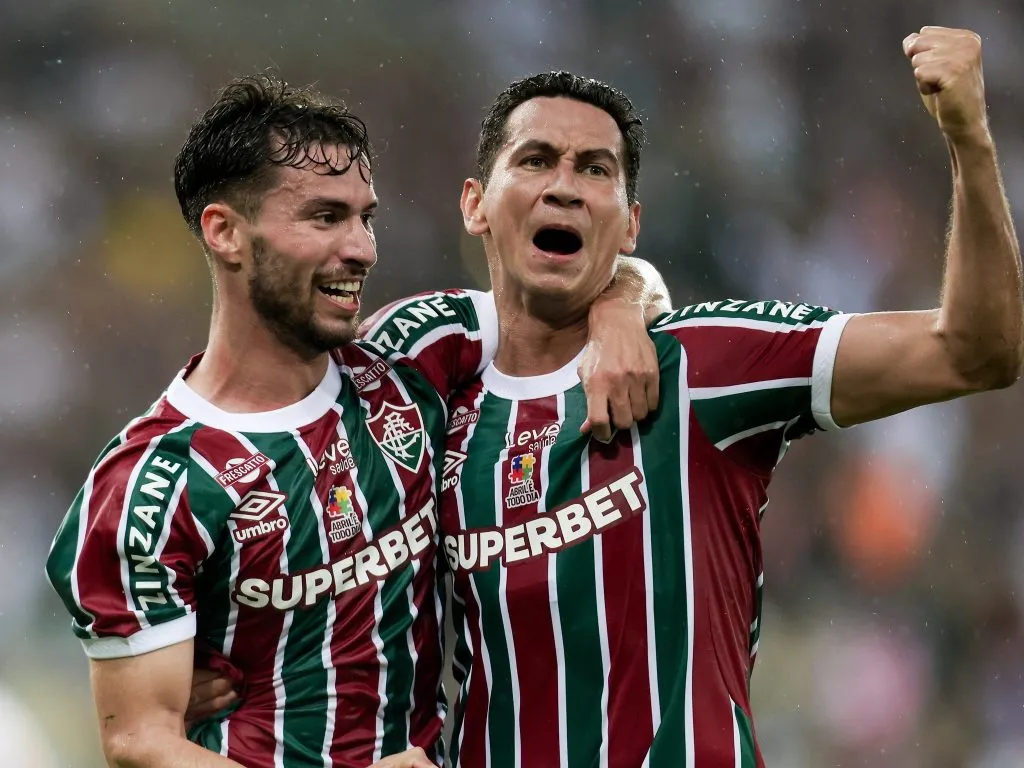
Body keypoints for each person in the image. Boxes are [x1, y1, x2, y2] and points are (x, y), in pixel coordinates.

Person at [391, 27, 1018, 767]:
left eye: (595, 169)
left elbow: (975, 349)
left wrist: (970, 140)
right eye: (534, 160)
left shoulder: (704, 362)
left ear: (631, 223)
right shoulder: (422, 400)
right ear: (475, 204)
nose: (563, 183)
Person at [44, 75, 664, 768]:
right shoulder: (151, 484)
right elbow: (138, 743)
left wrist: (622, 303)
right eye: (324, 218)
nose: (363, 248)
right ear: (225, 233)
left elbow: (559, 289)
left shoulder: (413, 357)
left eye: (365, 218)